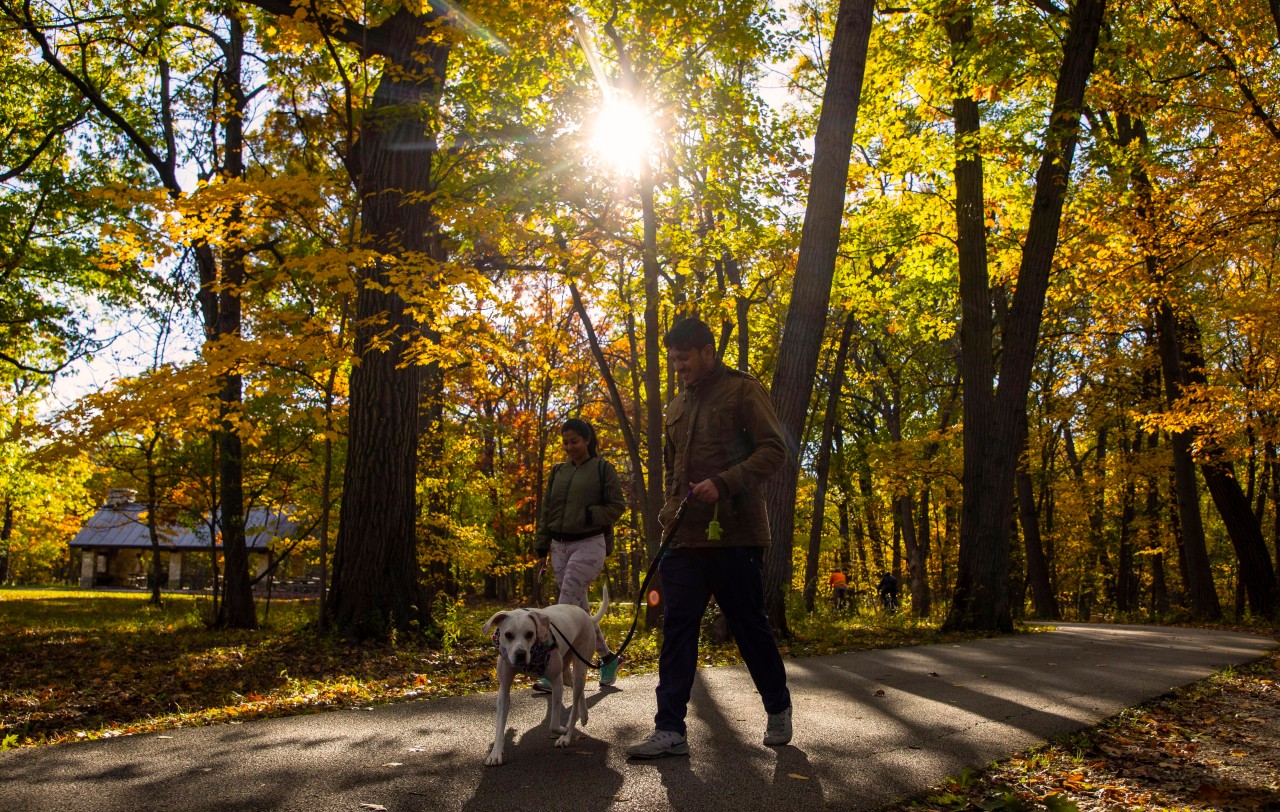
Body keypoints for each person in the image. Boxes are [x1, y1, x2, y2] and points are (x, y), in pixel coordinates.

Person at [626, 316, 792, 759]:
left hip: (736, 535)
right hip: (684, 538)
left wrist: (726, 480)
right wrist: (667, 512)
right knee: (677, 628)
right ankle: (670, 729)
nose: (679, 369)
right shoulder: (676, 406)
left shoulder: (743, 390)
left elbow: (774, 449)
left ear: (707, 351)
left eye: (685, 360)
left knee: (747, 625)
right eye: (674, 363)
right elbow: (672, 468)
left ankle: (777, 706)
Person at [534, 418, 627, 690]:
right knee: (579, 609)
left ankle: (555, 671)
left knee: (563, 607)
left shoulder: (602, 469)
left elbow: (617, 506)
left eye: (574, 441)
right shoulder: (558, 472)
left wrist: (592, 515)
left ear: (587, 440)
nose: (569, 447)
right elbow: (546, 511)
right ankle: (608, 657)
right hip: (559, 546)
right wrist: (542, 547)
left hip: (590, 543)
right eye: (565, 442)